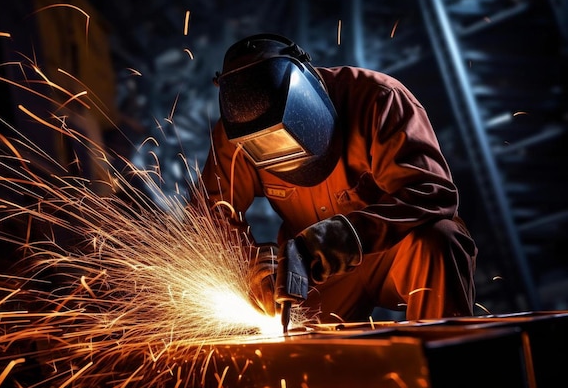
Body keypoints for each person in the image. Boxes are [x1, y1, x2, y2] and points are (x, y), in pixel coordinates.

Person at [197, 33, 478, 323]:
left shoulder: (378, 98)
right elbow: (210, 219)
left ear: (310, 88)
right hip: (314, 273)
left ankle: (442, 356)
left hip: (390, 256)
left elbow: (433, 192)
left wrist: (341, 238)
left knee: (441, 238)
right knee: (273, 333)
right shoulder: (238, 134)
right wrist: (255, 267)